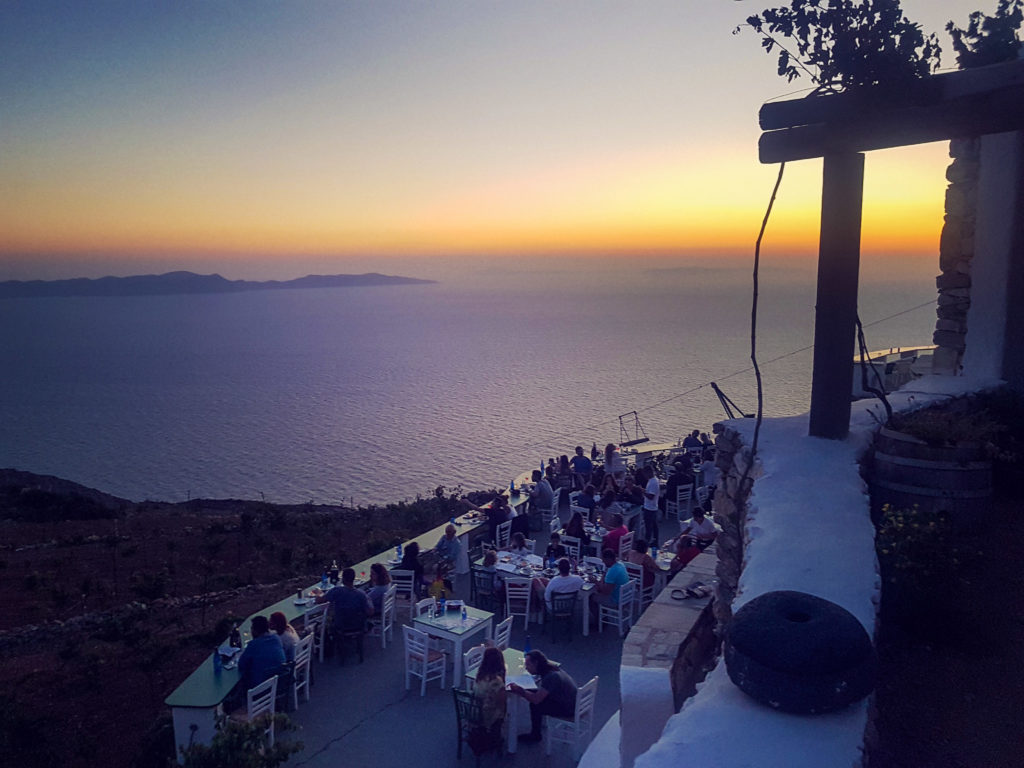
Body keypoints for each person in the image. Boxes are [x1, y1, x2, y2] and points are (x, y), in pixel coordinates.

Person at [508, 650, 577, 743]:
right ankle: (538, 728)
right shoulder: (553, 669)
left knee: (535, 705)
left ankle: (535, 735)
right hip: (569, 701)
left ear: (536, 663)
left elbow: (536, 699)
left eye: (528, 665)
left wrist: (521, 691)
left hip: (568, 709)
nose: (526, 668)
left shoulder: (551, 677)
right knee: (533, 693)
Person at [237, 615, 286, 692]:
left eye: (252, 628)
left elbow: (241, 665)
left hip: (261, 687)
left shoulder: (253, 644)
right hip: (281, 681)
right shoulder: (276, 638)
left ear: (255, 631)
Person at [321, 567, 373, 633]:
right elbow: (370, 611)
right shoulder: (361, 594)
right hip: (358, 625)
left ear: (343, 579)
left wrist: (318, 594)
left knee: (328, 615)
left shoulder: (336, 591)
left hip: (340, 625)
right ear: (353, 579)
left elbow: (320, 600)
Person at [473, 647, 508, 742]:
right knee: (506, 707)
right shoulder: (497, 682)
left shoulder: (479, 675)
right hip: (487, 714)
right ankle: (495, 733)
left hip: (474, 710)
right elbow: (502, 702)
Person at [668, 508, 718, 572]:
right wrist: (675, 538)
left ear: (700, 517)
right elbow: (687, 530)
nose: (694, 519)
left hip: (706, 542)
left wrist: (704, 536)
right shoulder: (693, 521)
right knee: (684, 538)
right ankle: (681, 558)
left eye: (696, 518)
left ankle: (683, 561)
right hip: (698, 540)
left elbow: (715, 535)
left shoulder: (708, 524)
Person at [640, 465, 660, 544]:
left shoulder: (653, 482)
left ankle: (647, 542)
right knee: (654, 526)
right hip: (653, 507)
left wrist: (643, 492)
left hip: (650, 508)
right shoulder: (653, 480)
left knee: (649, 527)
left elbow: (651, 496)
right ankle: (655, 541)